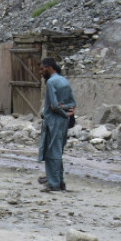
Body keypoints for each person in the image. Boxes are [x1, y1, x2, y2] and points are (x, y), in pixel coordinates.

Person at [37, 57, 76, 192]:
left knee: (52, 152)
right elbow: (72, 103)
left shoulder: (51, 83)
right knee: (57, 151)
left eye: (42, 69)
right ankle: (59, 181)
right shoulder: (63, 81)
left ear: (49, 67)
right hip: (62, 122)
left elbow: (54, 106)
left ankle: (54, 184)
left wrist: (63, 113)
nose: (40, 72)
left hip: (54, 121)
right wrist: (68, 113)